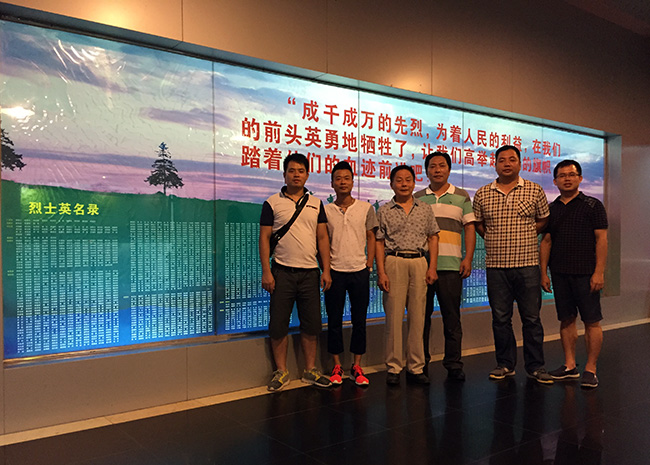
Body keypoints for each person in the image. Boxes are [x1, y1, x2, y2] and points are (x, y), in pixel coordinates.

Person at [473, 145, 553, 384]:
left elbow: (543, 220)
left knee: (532, 319)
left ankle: (536, 366)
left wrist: (525, 234)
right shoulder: (483, 193)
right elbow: (479, 224)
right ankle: (505, 364)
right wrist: (494, 237)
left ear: (520, 163)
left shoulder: (534, 189)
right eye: (502, 160)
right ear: (495, 164)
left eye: (511, 159)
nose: (506, 164)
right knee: (500, 319)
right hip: (496, 266)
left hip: (528, 265)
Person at [259, 152, 333, 391]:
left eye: (301, 171)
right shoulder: (272, 203)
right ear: (284, 174)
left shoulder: (316, 203)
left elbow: (322, 238)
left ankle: (310, 369)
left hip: (310, 273)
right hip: (282, 272)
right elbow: (264, 238)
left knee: (311, 324)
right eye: (292, 171)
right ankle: (281, 371)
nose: (296, 175)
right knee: (278, 324)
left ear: (307, 175)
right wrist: (266, 271)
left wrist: (326, 269)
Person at [540, 160, 608, 388]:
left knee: (591, 321)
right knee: (566, 319)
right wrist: (543, 272)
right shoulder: (551, 209)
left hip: (587, 273)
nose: (567, 179)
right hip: (560, 273)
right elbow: (546, 241)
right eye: (562, 175)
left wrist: (599, 272)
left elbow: (601, 239)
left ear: (580, 178)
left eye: (571, 174)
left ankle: (591, 368)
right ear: (555, 181)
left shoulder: (593, 205)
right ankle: (570, 365)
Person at [415, 151, 476, 381]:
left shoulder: (461, 196)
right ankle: (419, 363)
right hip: (422, 266)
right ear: (426, 171)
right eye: (432, 166)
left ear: (449, 170)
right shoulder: (418, 197)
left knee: (452, 318)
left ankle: (454, 364)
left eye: (442, 165)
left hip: (451, 267)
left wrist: (467, 258)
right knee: (421, 319)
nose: (437, 170)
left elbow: (469, 228)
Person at [376, 165, 440, 385]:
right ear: (391, 184)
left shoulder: (425, 208)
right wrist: (381, 271)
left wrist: (432, 267)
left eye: (408, 180)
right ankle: (394, 368)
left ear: (414, 182)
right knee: (393, 317)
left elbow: (433, 237)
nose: (404, 184)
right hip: (394, 261)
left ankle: (416, 367)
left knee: (418, 317)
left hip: (419, 262)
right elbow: (379, 242)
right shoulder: (384, 210)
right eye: (399, 180)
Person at [324, 161, 378, 386]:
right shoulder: (326, 210)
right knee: (334, 320)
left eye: (347, 178)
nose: (342, 182)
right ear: (332, 183)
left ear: (353, 182)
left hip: (359, 271)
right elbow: (322, 240)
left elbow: (371, 237)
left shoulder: (366, 208)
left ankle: (357, 365)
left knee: (359, 320)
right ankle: (336, 365)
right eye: (338, 178)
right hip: (334, 271)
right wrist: (325, 268)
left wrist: (369, 264)